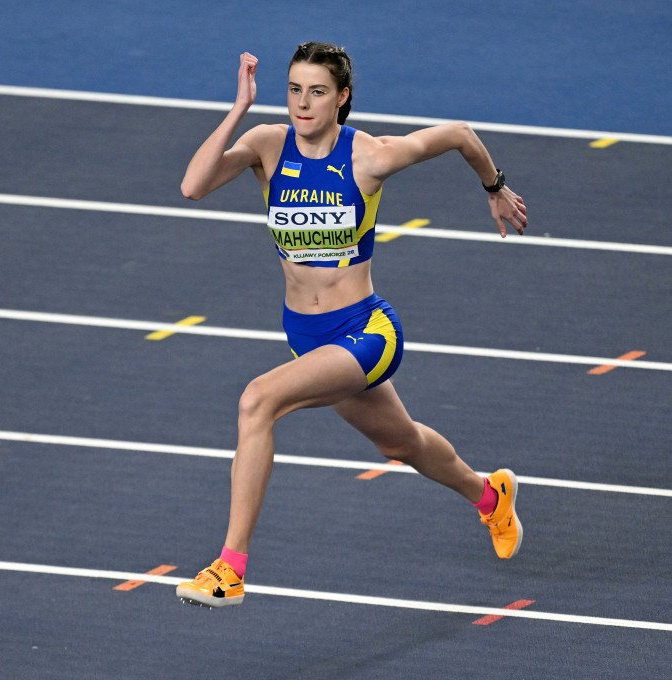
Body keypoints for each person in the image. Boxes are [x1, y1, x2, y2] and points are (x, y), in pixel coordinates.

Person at [175, 42, 529, 608]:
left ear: (342, 98)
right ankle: (490, 495)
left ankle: (229, 569)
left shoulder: (370, 156)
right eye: (293, 90)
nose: (302, 103)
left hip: (366, 333)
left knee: (257, 400)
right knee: (401, 443)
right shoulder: (268, 145)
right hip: (307, 336)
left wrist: (494, 188)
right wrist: (240, 106)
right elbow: (193, 186)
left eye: (317, 92)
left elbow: (460, 133)